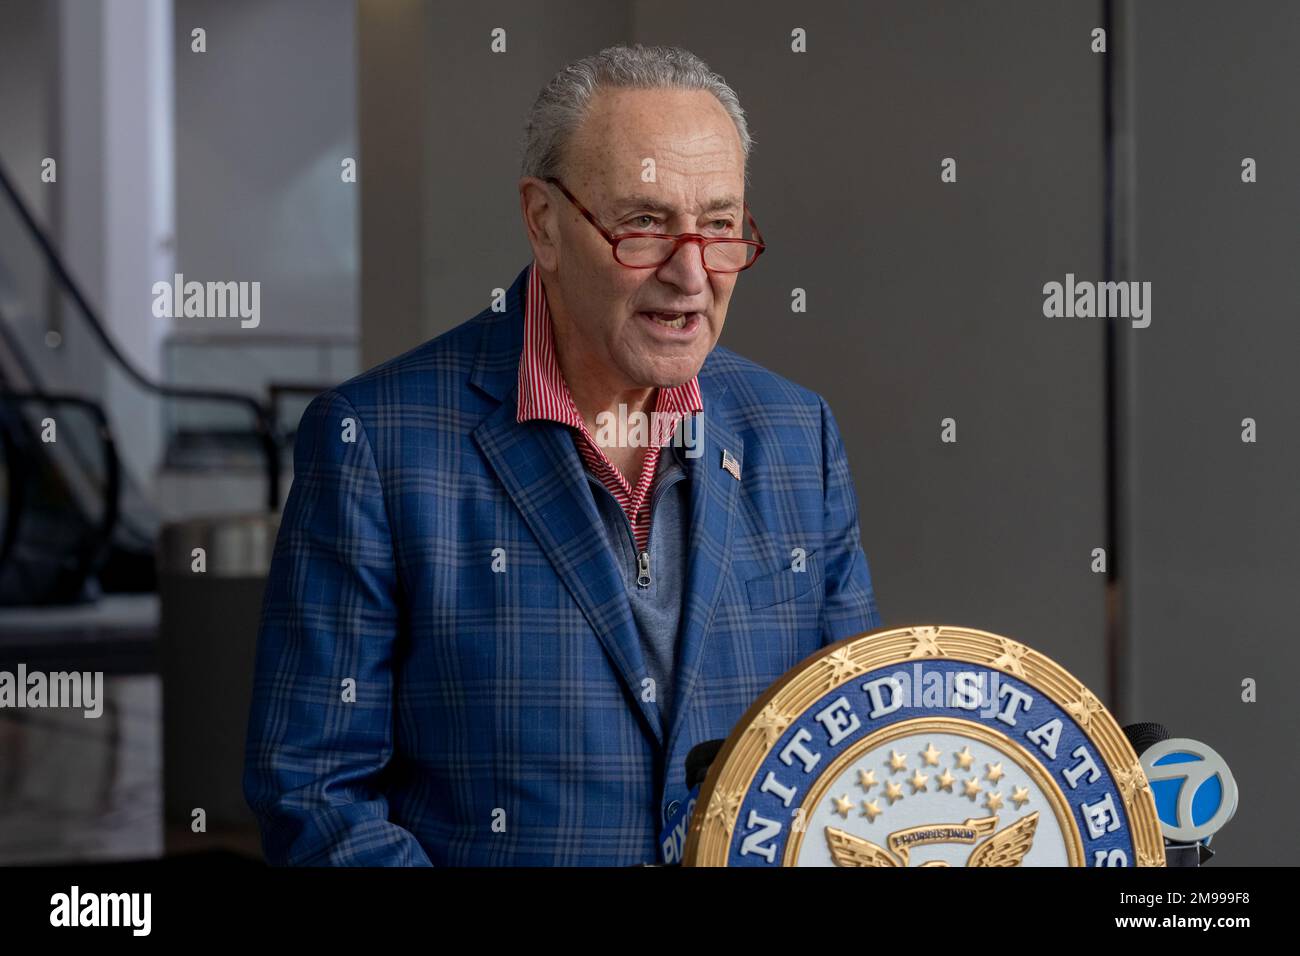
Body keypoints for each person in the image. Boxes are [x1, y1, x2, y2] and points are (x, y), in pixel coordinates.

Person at [244, 43, 881, 865]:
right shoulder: (376, 444)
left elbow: (852, 749)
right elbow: (315, 796)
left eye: (720, 225)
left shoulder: (799, 434)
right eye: (644, 224)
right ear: (543, 222)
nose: (692, 275)